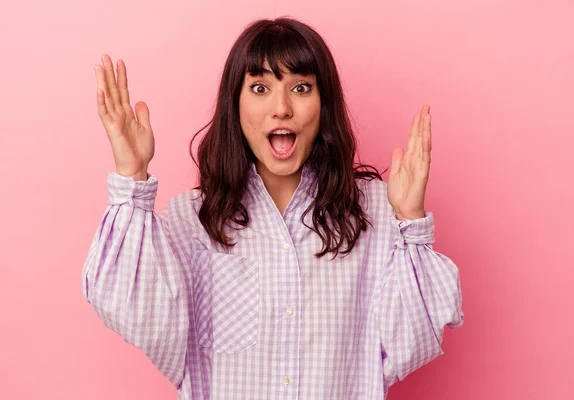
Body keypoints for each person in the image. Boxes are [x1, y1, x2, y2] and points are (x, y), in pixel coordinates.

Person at [82, 17, 464, 400]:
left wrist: (410, 219)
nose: (281, 108)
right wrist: (131, 178)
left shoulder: (376, 212)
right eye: (260, 88)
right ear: (236, 105)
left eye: (301, 87)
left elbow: (410, 345)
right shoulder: (193, 220)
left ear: (324, 103)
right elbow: (142, 321)